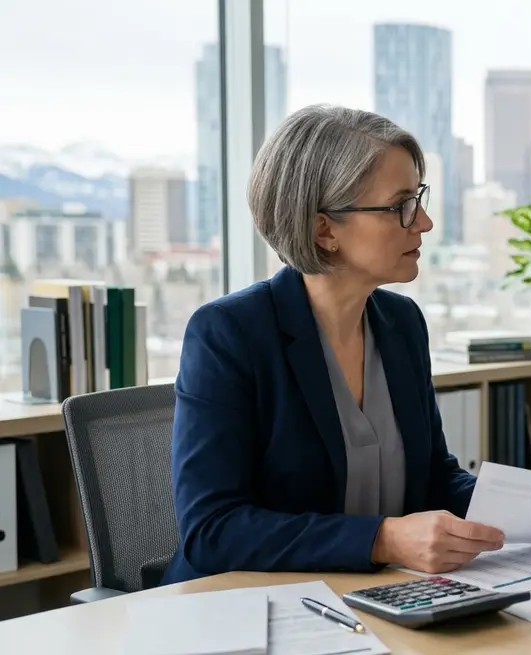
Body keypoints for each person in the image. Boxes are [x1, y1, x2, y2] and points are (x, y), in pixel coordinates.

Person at [163, 105, 504, 585]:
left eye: (418, 199)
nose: (424, 222)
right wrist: (383, 540)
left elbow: (434, 479)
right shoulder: (228, 334)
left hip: (373, 593)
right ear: (324, 229)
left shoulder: (402, 324)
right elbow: (212, 530)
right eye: (401, 206)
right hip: (245, 604)